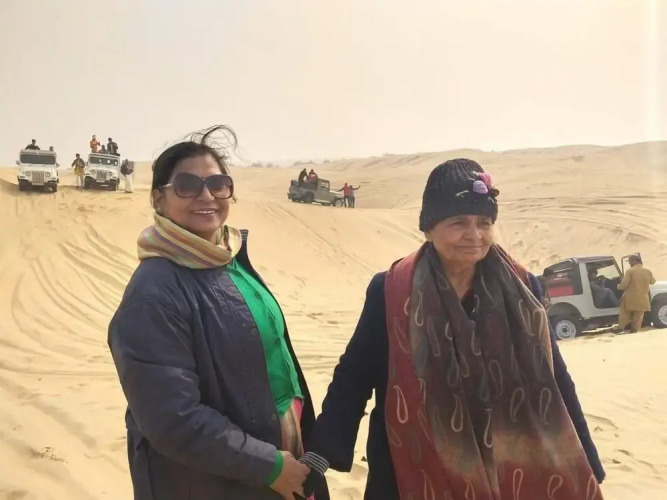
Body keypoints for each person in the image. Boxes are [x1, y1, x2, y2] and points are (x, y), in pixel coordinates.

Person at [300, 159, 605, 499]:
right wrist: (322, 452)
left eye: (484, 223)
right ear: (429, 229)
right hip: (409, 467)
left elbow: (554, 377)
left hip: (509, 466)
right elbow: (355, 375)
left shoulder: (523, 288)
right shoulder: (391, 290)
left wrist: (587, 460)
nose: (474, 235)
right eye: (458, 222)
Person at [107, 125, 329, 500]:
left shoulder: (229, 258)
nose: (206, 195)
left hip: (277, 461)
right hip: (217, 481)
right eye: (187, 185)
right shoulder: (153, 294)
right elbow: (172, 418)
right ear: (158, 200)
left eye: (218, 184)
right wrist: (269, 466)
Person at [617, 254, 655, 333]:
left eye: (630, 261)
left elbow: (624, 284)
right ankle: (634, 329)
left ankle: (620, 328)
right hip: (643, 297)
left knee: (624, 313)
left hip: (629, 297)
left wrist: (618, 286)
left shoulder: (630, 271)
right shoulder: (648, 271)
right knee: (639, 315)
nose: (629, 263)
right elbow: (653, 281)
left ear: (634, 261)